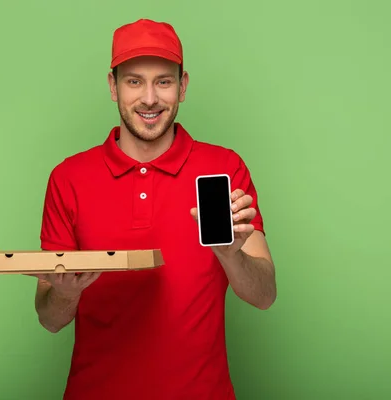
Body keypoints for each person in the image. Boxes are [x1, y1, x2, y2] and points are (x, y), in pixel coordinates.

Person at [30, 18, 277, 400]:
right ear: (113, 87)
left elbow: (264, 295)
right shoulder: (69, 177)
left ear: (183, 86)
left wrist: (232, 257)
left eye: (163, 81)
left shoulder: (225, 169)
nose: (149, 98)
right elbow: (49, 319)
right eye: (134, 81)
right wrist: (66, 293)